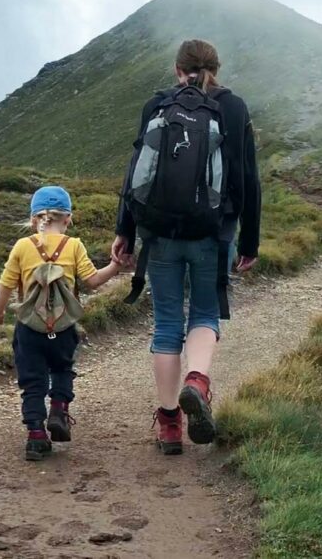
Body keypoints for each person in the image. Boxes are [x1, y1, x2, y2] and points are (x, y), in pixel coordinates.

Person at [112, 39, 261, 455]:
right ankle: (197, 381)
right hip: (214, 235)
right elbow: (248, 179)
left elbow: (134, 175)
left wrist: (125, 230)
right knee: (204, 313)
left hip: (159, 235)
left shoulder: (156, 105)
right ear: (217, 68)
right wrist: (249, 239)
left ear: (178, 70)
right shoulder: (233, 108)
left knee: (165, 325)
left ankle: (169, 425)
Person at [0, 185, 123, 460]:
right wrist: (116, 266)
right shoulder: (74, 246)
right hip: (63, 328)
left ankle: (36, 436)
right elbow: (93, 281)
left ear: (33, 220)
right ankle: (59, 409)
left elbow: (6, 284)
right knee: (62, 369)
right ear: (68, 219)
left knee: (32, 381)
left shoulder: (22, 246)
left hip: (29, 328)